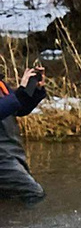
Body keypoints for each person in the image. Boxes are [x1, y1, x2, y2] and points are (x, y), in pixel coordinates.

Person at [0, 63, 45, 202]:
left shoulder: (1, 85)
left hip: (10, 155)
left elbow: (17, 107)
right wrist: (21, 92)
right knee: (33, 192)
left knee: (11, 199)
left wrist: (33, 89)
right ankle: (27, 224)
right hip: (4, 160)